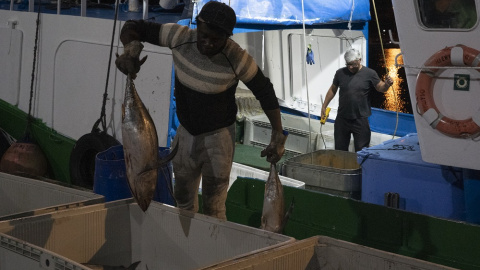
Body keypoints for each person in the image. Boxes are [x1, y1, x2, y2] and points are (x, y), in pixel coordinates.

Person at [115, 1, 287, 220]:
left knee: (214, 207)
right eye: (204, 35)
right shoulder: (178, 37)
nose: (207, 43)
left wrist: (277, 133)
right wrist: (130, 51)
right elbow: (132, 27)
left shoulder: (237, 58)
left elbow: (265, 91)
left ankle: (213, 251)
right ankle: (188, 247)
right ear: (197, 25)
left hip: (219, 138)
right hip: (185, 132)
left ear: (228, 36)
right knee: (183, 199)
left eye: (216, 40)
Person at [320, 48, 393, 152]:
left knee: (362, 151)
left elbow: (380, 87)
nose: (350, 67)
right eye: (348, 64)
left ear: (360, 60)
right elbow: (333, 89)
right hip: (342, 119)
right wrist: (324, 106)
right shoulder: (340, 73)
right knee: (340, 151)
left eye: (353, 64)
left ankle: (360, 168)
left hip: (360, 119)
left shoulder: (370, 73)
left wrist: (386, 84)